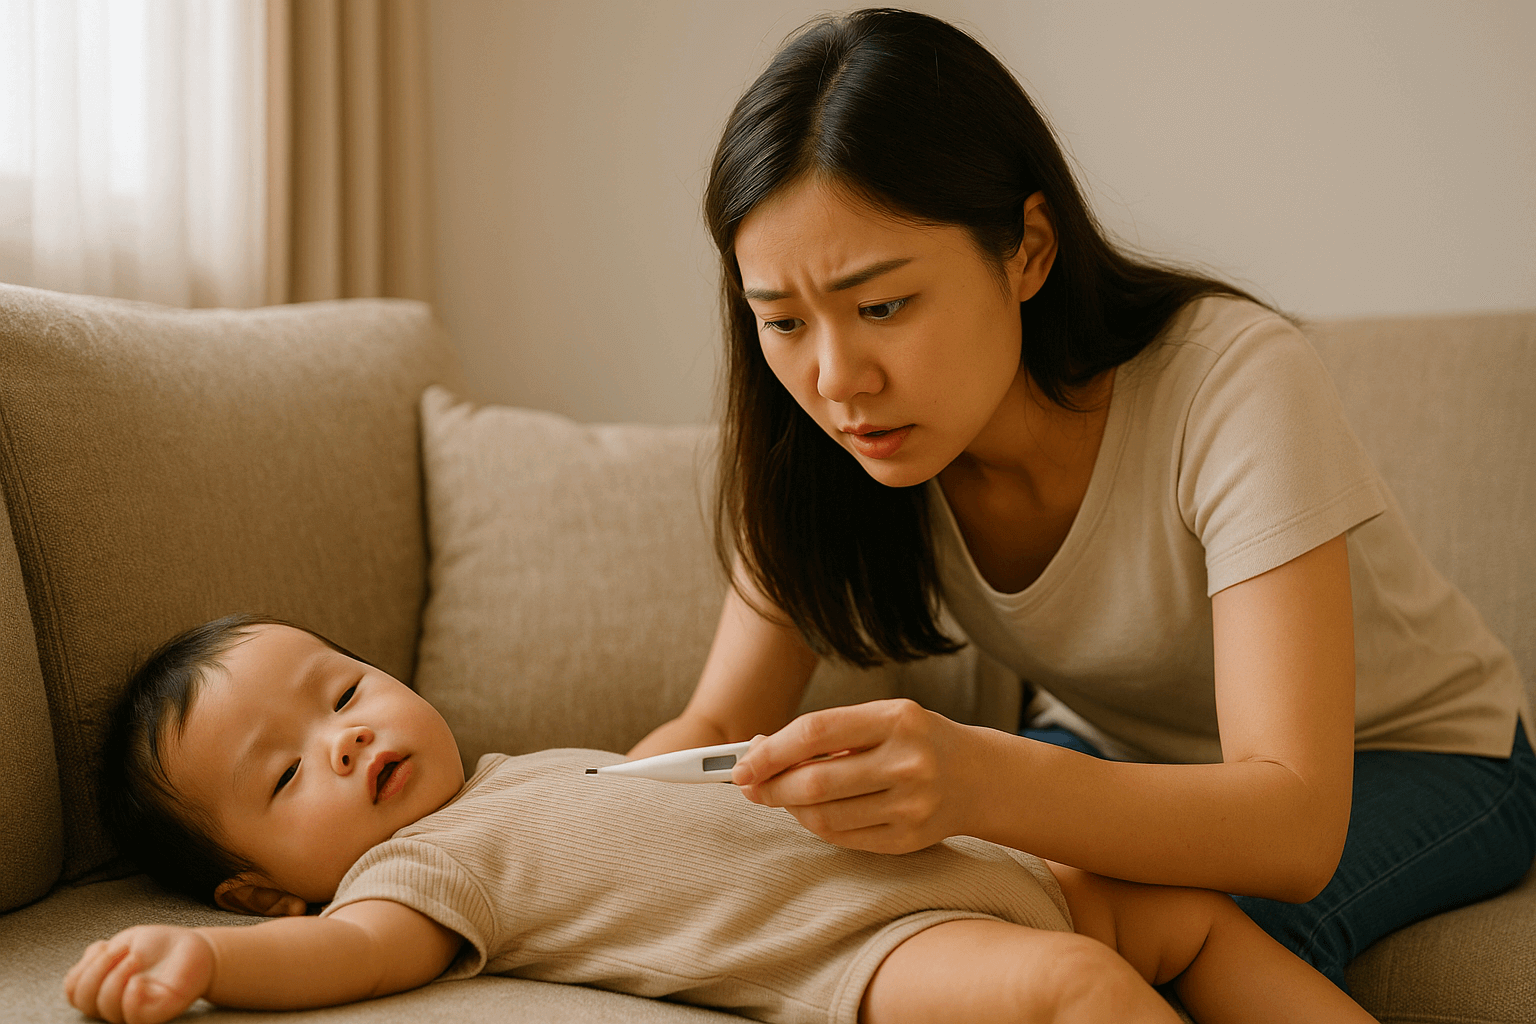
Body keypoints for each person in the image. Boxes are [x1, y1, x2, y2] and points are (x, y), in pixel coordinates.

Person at [629, 7, 1536, 992]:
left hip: (1418, 755)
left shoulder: (1233, 379)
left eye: (883, 305)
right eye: (784, 320)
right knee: (953, 931)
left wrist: (979, 777)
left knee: (1148, 932)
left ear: (1026, 247)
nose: (838, 376)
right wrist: (579, 830)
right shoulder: (828, 449)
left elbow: (1295, 823)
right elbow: (718, 720)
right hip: (1113, 749)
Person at [66, 614, 1375, 1024]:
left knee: (1197, 920)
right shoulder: (413, 876)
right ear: (260, 888)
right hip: (870, 952)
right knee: (1072, 988)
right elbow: (343, 959)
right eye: (287, 776)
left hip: (985, 863)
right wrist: (207, 966)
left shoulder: (528, 769)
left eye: (342, 691)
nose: (345, 735)